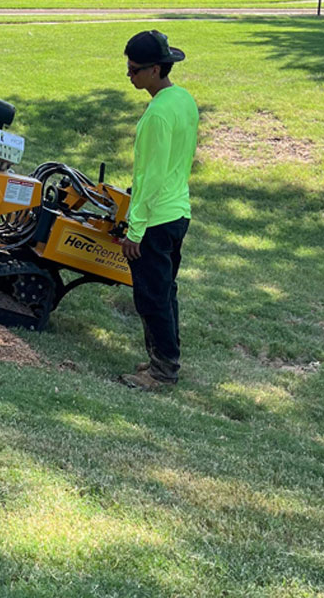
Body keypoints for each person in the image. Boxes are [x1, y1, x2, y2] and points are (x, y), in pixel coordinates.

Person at [118, 30, 199, 391]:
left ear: (154, 70)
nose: (129, 75)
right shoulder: (183, 100)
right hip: (178, 212)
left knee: (151, 297)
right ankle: (163, 357)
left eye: (134, 70)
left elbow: (150, 177)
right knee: (166, 292)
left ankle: (162, 371)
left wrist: (134, 231)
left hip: (155, 218)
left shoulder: (156, 116)